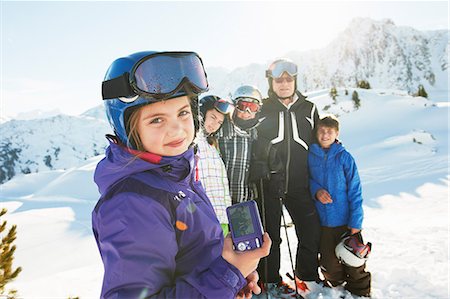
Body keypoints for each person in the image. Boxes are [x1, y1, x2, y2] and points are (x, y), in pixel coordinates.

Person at [92, 51, 271, 298]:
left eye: (183, 113)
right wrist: (227, 274)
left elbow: (195, 261)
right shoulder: (133, 203)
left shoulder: (177, 177)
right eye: (156, 119)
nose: (176, 128)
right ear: (129, 129)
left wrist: (231, 279)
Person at [252, 58, 322, 297]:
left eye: (288, 79)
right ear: (271, 82)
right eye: (278, 80)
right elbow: (246, 136)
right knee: (272, 236)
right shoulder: (262, 108)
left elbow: (320, 142)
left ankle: (307, 277)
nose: (283, 84)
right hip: (269, 183)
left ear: (294, 81)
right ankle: (270, 280)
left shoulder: (309, 108)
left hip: (300, 182)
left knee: (310, 230)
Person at [308, 115, 371, 297]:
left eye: (330, 132)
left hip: (346, 222)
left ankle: (361, 293)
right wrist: (316, 191)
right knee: (329, 262)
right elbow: (306, 180)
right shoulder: (310, 156)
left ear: (337, 134)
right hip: (324, 223)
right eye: (322, 131)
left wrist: (356, 223)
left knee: (354, 261)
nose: (325, 135)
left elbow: (355, 192)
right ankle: (339, 290)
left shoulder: (344, 158)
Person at [217, 85, 263, 204]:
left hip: (246, 199)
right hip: (222, 199)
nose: (247, 112)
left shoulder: (256, 133)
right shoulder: (222, 128)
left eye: (252, 107)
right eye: (242, 106)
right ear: (234, 106)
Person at [197, 95, 234, 235]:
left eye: (219, 122)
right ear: (201, 112)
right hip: (204, 216)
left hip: (222, 215)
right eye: (212, 117)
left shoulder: (212, 145)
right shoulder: (192, 142)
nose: (214, 125)